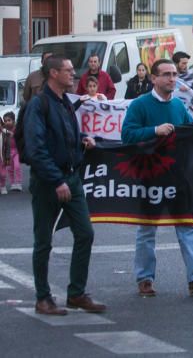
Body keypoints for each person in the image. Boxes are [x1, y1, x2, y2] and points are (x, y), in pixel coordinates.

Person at [121, 58, 193, 299]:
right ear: (153, 78)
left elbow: (189, 130)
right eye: (166, 74)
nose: (172, 79)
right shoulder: (140, 105)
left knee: (186, 225)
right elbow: (127, 135)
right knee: (147, 229)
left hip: (176, 176)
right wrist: (154, 131)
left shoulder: (178, 105)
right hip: (150, 176)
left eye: (174, 74)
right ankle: (145, 278)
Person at [23, 55, 106, 315]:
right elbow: (36, 149)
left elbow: (67, 134)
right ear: (53, 74)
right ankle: (43, 298)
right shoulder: (39, 105)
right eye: (68, 71)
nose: (74, 74)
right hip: (50, 182)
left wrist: (84, 141)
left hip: (71, 177)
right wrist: (56, 179)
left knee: (85, 233)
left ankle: (76, 294)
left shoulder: (66, 103)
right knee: (43, 241)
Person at [0, 111, 22, 193]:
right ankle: (13, 183)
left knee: (17, 166)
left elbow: (17, 136)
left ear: (13, 120)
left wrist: (12, 133)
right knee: (9, 168)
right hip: (8, 151)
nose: (7, 122)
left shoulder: (16, 129)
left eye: (9, 120)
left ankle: (18, 182)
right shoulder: (4, 130)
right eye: (5, 121)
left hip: (16, 151)